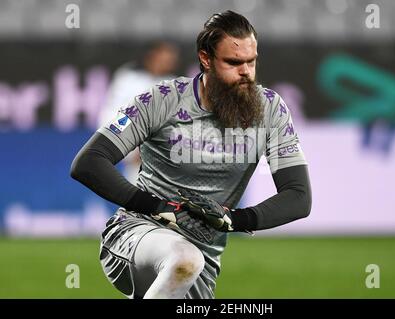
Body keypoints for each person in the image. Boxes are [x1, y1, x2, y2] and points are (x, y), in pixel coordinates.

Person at [70, 10, 312, 299]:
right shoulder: (161, 99)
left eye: (251, 61)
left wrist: (236, 219)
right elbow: (88, 162)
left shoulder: (270, 108)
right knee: (186, 260)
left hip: (203, 256)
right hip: (136, 235)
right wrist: (159, 207)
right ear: (206, 59)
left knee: (189, 262)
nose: (246, 72)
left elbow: (299, 195)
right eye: (234, 62)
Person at [97, 41, 180, 184]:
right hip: (134, 153)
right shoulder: (128, 79)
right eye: (166, 56)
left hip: (163, 156)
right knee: (136, 198)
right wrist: (129, 148)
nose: (170, 61)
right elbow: (111, 113)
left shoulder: (175, 84)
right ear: (153, 55)